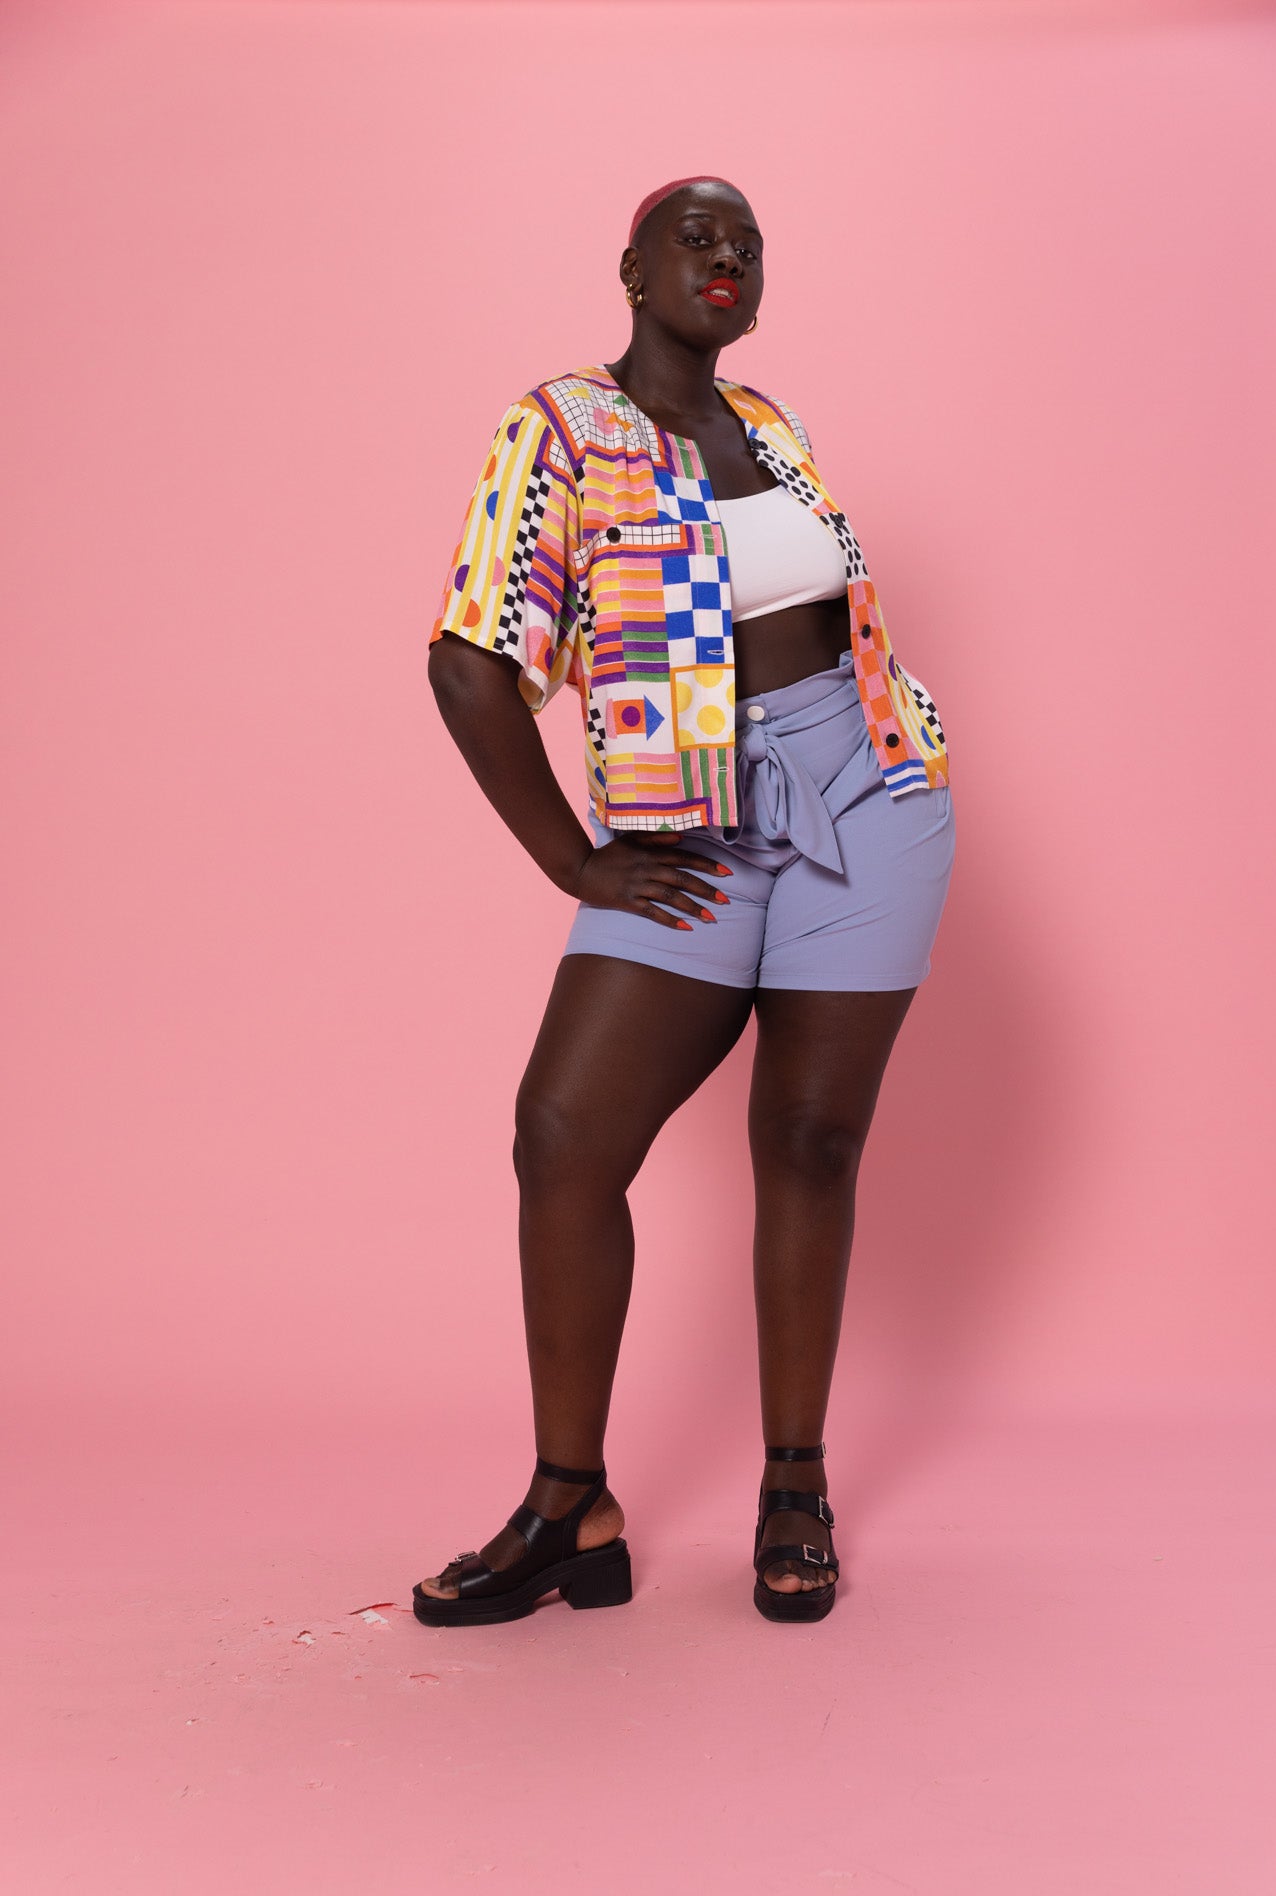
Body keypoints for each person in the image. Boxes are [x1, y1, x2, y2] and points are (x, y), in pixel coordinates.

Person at [413, 176, 954, 1627]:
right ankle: (567, 1506)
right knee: (563, 1133)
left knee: (810, 1140)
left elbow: (823, 620)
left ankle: (795, 1488)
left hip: (867, 790)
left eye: (748, 246)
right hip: (691, 819)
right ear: (632, 268)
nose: (727, 258)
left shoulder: (771, 426)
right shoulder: (560, 428)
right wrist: (573, 860)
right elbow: (469, 661)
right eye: (696, 237)